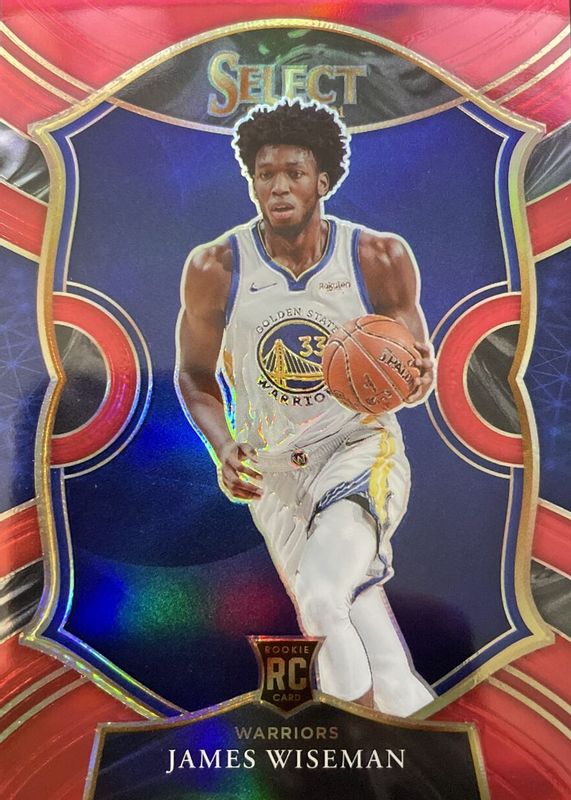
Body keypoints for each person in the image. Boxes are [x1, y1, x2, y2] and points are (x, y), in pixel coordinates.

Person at [176, 100, 435, 716]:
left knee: (321, 597)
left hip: (357, 449)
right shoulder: (215, 267)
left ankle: (352, 739)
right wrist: (224, 445)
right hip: (272, 473)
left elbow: (413, 374)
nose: (279, 186)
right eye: (265, 173)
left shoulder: (377, 256)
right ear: (252, 181)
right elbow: (193, 375)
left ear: (323, 180)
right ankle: (415, 727)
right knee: (363, 629)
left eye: (294, 172)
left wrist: (416, 378)